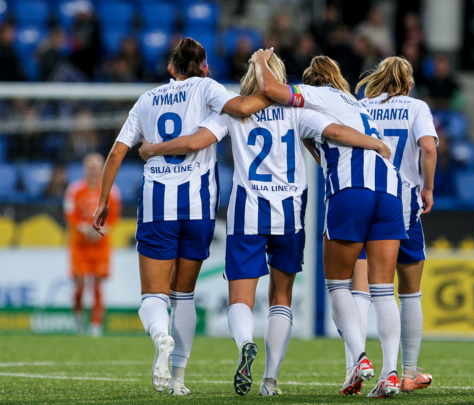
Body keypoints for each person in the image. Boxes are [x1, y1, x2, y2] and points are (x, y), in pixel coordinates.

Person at [137, 53, 390, 397]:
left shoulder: (233, 111)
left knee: (240, 298)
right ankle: (270, 380)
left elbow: (195, 142)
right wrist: (373, 142)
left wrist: (153, 149)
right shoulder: (297, 111)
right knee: (281, 298)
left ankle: (245, 343)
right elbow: (337, 131)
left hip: (248, 210)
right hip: (289, 211)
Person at [92, 38, 271, 395]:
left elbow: (116, 153)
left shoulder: (147, 99)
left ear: (171, 69)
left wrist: (102, 201)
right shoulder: (208, 87)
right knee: (184, 295)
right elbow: (240, 106)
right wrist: (272, 88)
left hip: (158, 204)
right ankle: (177, 380)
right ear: (205, 66)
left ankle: (160, 337)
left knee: (154, 296)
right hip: (199, 207)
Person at [251, 49, 406, 398]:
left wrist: (260, 62)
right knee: (383, 289)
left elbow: (276, 91)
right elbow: (319, 144)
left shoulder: (316, 96)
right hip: (390, 189)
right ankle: (391, 373)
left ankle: (359, 359)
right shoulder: (358, 105)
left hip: (352, 190)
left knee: (338, 284)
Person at [348, 56, 437, 393]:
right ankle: (407, 372)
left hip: (362, 196)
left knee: (360, 287)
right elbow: (428, 147)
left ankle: (353, 366)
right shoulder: (416, 107)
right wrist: (427, 187)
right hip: (401, 200)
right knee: (407, 291)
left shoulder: (360, 105)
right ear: (409, 83)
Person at [64, 153, 121, 337]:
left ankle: (96, 325)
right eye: (90, 166)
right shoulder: (74, 189)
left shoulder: (112, 190)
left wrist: (103, 230)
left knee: (97, 284)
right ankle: (78, 317)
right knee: (80, 283)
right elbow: (70, 214)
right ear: (84, 168)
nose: (94, 169)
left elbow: (114, 217)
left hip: (100, 244)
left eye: (97, 166)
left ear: (103, 168)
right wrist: (82, 228)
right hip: (80, 244)